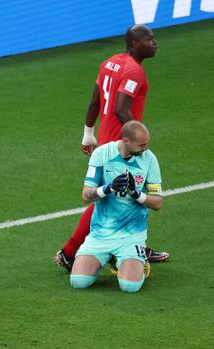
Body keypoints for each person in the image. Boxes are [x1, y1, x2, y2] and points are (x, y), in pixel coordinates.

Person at [55, 24, 169, 272]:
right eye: (149, 39)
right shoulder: (134, 72)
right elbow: (121, 108)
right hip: (122, 144)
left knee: (126, 194)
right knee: (106, 200)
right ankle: (69, 252)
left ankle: (135, 245)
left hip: (108, 139)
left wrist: (88, 133)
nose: (155, 42)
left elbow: (96, 100)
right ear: (135, 44)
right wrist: (139, 141)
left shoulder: (110, 63)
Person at [70, 121, 162, 293]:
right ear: (126, 141)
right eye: (141, 145)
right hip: (100, 234)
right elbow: (86, 195)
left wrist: (136, 194)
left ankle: (139, 259)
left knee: (130, 286)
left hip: (131, 236)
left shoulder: (149, 159)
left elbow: (157, 203)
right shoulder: (101, 154)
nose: (145, 149)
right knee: (78, 281)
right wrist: (108, 188)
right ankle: (113, 259)